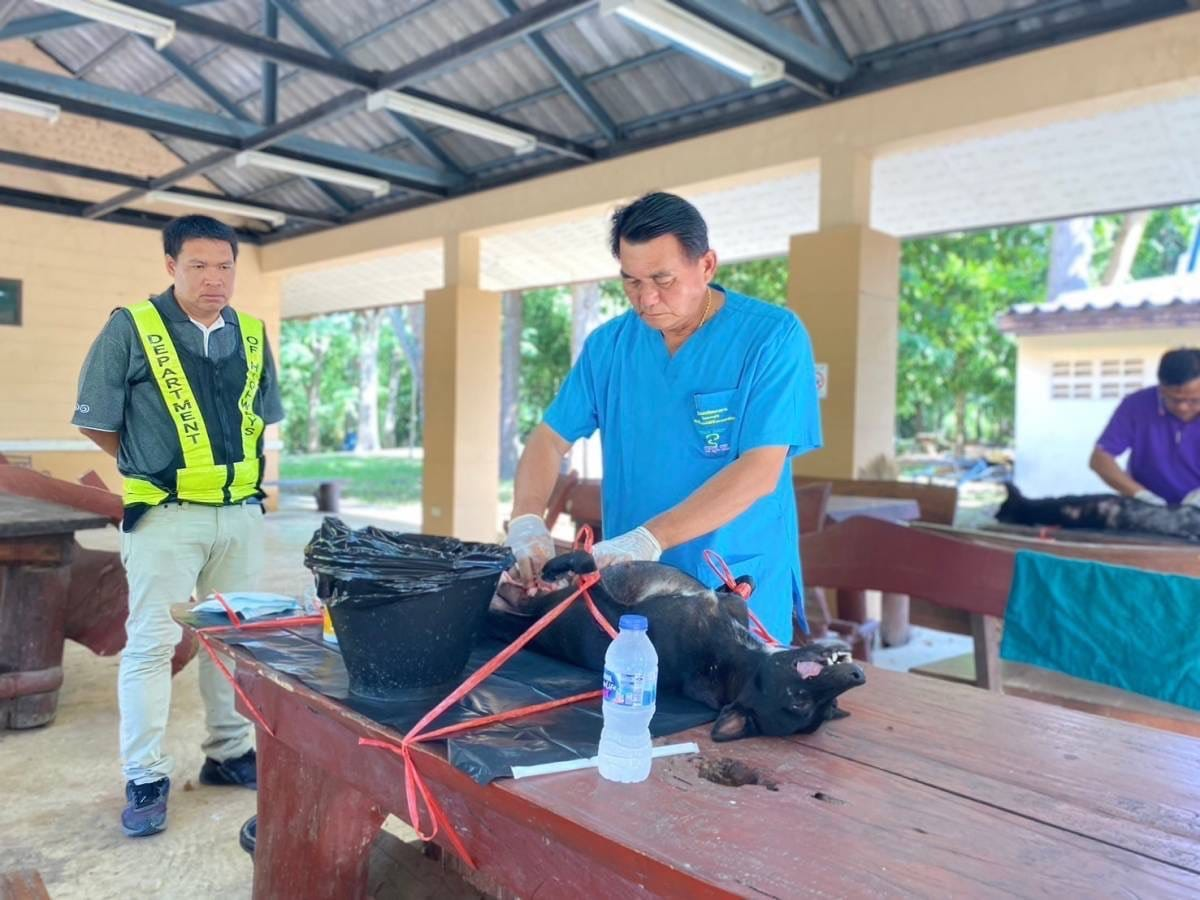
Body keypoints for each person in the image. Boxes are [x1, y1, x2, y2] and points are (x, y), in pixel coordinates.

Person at [504, 192, 821, 642]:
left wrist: (647, 538)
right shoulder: (609, 347)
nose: (646, 298)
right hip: (632, 591)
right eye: (630, 281)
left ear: (707, 266)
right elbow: (550, 439)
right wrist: (527, 520)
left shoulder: (772, 337)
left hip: (732, 587)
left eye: (663, 279)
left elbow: (759, 472)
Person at [73, 215, 283, 837]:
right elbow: (95, 420)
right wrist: (150, 466)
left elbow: (260, 416)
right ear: (171, 266)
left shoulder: (251, 332)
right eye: (198, 266)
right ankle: (144, 776)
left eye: (224, 266)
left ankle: (228, 753)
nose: (214, 279)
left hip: (239, 514)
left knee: (235, 641)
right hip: (163, 517)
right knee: (152, 645)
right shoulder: (130, 328)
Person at [1090, 347, 1200, 507]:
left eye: (1194, 400)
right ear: (1160, 388)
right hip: (1146, 509)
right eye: (1174, 399)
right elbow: (1100, 459)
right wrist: (1142, 495)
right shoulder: (1136, 405)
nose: (1183, 407)